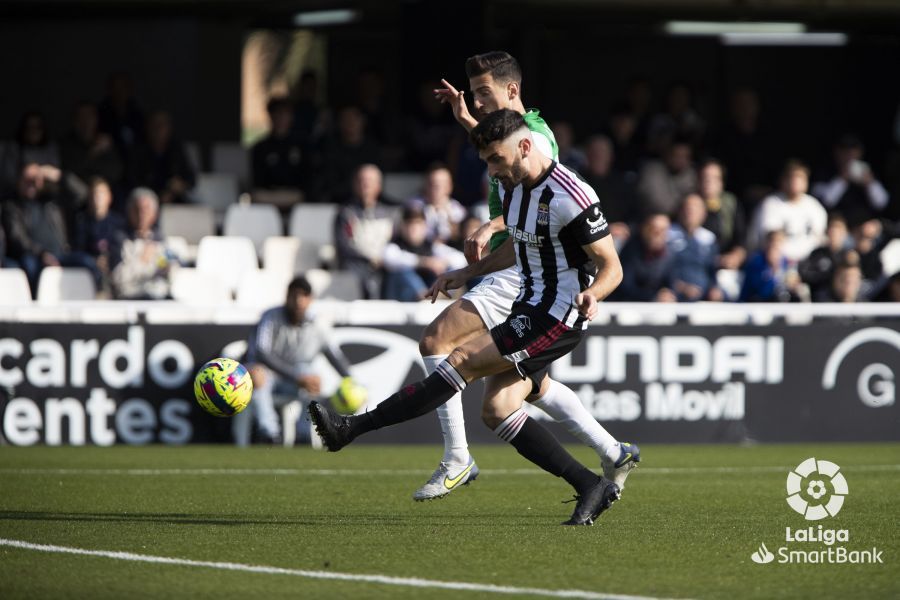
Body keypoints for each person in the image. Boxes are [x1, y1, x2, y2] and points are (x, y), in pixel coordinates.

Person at [310, 109, 628, 526]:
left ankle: (351, 429)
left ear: (526, 146)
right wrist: (468, 272)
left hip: (557, 313)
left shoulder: (573, 196)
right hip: (528, 304)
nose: (492, 170)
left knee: (458, 358)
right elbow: (521, 244)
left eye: (497, 159)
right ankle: (591, 484)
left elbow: (613, 267)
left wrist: (593, 292)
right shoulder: (512, 186)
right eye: (487, 162)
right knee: (497, 411)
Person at [415, 51, 637, 502]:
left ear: (511, 90)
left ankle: (458, 458)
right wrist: (463, 119)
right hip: (522, 268)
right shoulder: (502, 134)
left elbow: (540, 191)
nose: (477, 102)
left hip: (527, 269)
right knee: (531, 386)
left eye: (483, 93)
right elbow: (499, 154)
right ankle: (614, 451)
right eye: (473, 94)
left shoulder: (533, 137)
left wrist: (491, 226)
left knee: (438, 341)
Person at [235, 275, 356, 446]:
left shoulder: (316, 325)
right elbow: (262, 353)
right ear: (287, 297)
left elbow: (334, 357)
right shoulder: (270, 316)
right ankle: (270, 433)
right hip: (267, 375)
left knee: (312, 377)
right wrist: (295, 377)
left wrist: (354, 382)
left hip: (293, 381)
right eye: (295, 295)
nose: (298, 301)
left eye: (304, 296)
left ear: (310, 299)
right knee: (257, 373)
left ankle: (303, 434)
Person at [1, 163, 98, 294]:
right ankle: (34, 307)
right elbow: (17, 237)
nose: (31, 184)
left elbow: (82, 194)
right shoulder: (12, 206)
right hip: (33, 255)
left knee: (87, 262)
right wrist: (42, 254)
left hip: (61, 254)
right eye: (27, 179)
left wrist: (57, 175)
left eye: (35, 179)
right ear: (18, 181)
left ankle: (100, 294)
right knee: (30, 267)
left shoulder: (52, 202)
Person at [334, 164, 397, 299]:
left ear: (379, 185)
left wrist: (384, 258)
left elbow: (396, 241)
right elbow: (344, 246)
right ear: (354, 185)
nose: (365, 184)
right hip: (356, 265)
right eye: (361, 180)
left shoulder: (390, 213)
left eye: (370, 181)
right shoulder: (345, 213)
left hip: (384, 265)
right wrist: (370, 259)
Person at [382, 204, 467, 301]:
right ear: (402, 226)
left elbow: (461, 259)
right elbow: (389, 259)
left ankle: (434, 295)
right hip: (402, 298)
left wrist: (442, 262)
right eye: (409, 224)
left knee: (452, 270)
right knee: (404, 270)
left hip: (430, 295)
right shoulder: (395, 245)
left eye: (418, 223)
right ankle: (426, 296)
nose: (413, 228)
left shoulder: (431, 247)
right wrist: (423, 262)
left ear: (424, 226)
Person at [750, 160, 827, 265]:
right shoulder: (771, 204)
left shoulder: (815, 207)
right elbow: (770, 242)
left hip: (810, 265)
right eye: (792, 177)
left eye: (800, 177)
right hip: (777, 264)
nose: (796, 181)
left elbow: (820, 239)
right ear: (783, 180)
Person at [812, 135, 889, 228]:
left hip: (864, 226)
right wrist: (842, 179)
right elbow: (826, 201)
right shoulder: (825, 172)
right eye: (845, 150)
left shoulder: (866, 171)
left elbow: (882, 203)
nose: (849, 154)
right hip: (836, 225)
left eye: (854, 150)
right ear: (837, 152)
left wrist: (870, 183)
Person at [110, 187, 175, 299]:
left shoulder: (161, 240)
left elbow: (165, 272)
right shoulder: (119, 239)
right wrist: (142, 261)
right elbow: (117, 279)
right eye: (137, 209)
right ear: (129, 212)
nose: (142, 214)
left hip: (158, 296)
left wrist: (168, 268)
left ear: (155, 214)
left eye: (146, 209)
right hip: (129, 298)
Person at [578, 135, 637, 249]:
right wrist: (607, 229)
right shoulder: (577, 182)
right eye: (594, 152)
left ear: (611, 156)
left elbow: (634, 214)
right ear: (587, 155)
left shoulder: (622, 183)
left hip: (621, 237)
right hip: (587, 238)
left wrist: (627, 228)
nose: (598, 156)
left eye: (602, 152)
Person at [127, 110, 196, 205]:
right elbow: (133, 182)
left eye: (162, 125)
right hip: (146, 203)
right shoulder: (139, 151)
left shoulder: (176, 150)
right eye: (155, 124)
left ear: (169, 128)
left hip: (175, 201)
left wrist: (180, 185)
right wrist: (156, 196)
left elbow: (191, 179)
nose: (158, 129)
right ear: (148, 127)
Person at [72, 177, 126, 294]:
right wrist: (94, 260)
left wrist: (109, 260)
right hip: (88, 271)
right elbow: (78, 249)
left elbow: (121, 248)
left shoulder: (118, 223)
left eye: (101, 194)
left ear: (109, 197)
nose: (97, 198)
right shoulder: (82, 222)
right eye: (94, 194)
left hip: (113, 269)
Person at [610, 213, 676, 302]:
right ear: (644, 229)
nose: (658, 234)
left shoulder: (670, 254)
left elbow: (671, 285)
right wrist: (654, 297)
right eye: (654, 229)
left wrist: (668, 295)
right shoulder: (630, 251)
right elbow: (625, 288)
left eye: (663, 230)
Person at [668, 193, 722, 302]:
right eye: (687, 208)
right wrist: (679, 287)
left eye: (695, 209)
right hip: (673, 295)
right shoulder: (667, 236)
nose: (690, 212)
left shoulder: (709, 239)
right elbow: (660, 271)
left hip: (703, 297)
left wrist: (713, 290)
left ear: (704, 214)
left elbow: (712, 272)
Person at [251, 97, 308, 193]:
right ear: (271, 115)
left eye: (286, 113)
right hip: (268, 197)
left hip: (296, 197)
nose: (281, 118)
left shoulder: (301, 146)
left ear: (291, 116)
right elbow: (257, 183)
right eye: (278, 113)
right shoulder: (261, 148)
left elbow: (307, 179)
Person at [698, 159, 745, 271]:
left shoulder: (731, 203)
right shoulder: (690, 204)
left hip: (726, 265)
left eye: (714, 178)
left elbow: (741, 238)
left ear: (721, 183)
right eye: (705, 177)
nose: (708, 182)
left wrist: (735, 256)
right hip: (698, 264)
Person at [636, 137, 696, 218]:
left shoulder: (691, 175)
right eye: (677, 155)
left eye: (684, 156)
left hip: (681, 222)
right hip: (652, 219)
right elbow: (658, 205)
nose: (680, 160)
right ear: (667, 155)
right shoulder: (652, 170)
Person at [408, 163, 467, 244]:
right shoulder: (414, 206)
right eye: (432, 183)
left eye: (440, 184)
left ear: (449, 186)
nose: (435, 188)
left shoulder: (458, 210)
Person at [739, 230, 803, 303]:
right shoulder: (756, 262)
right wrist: (773, 268)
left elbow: (791, 284)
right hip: (757, 301)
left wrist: (793, 285)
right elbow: (761, 290)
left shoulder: (786, 262)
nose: (776, 246)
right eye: (773, 242)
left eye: (779, 242)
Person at [798, 213, 851, 300]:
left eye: (838, 232)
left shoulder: (849, 256)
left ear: (845, 233)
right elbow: (805, 274)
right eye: (832, 231)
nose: (835, 235)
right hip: (820, 296)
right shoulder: (817, 254)